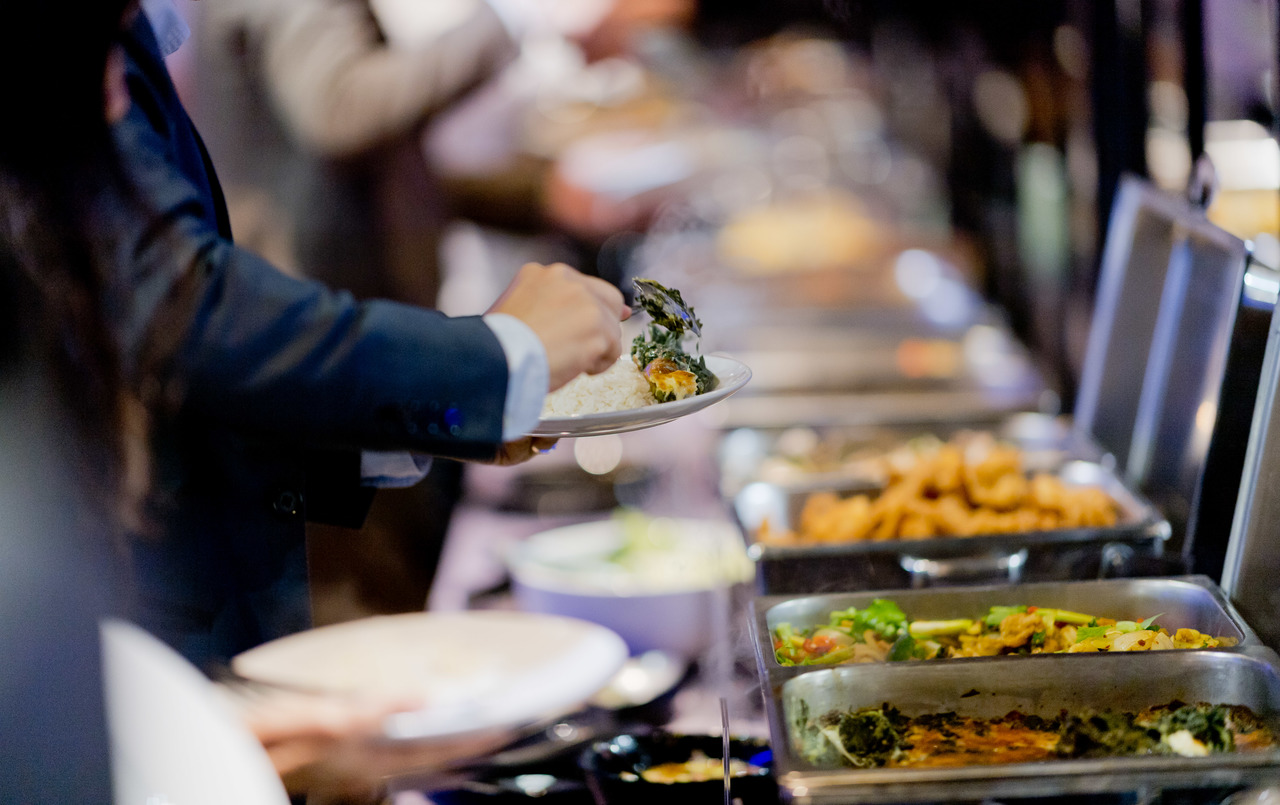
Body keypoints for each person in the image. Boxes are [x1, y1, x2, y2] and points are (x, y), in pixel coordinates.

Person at [113, 0, 630, 674]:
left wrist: (442, 406)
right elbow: (182, 305)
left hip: (306, 409)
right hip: (156, 616)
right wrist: (490, 361)